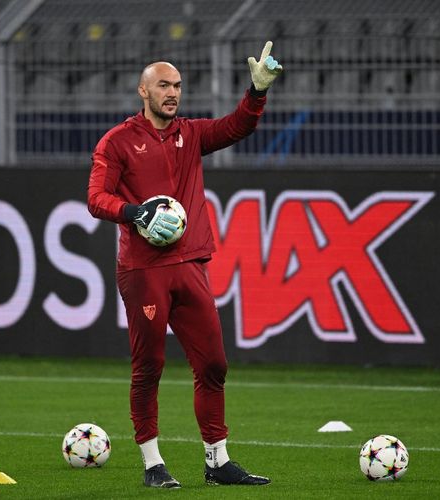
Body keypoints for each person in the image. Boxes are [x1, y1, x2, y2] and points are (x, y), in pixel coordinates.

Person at [87, 41, 282, 488]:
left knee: (213, 363)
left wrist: (256, 93)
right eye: (163, 86)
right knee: (149, 366)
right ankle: (153, 464)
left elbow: (237, 128)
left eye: (177, 85)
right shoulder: (117, 141)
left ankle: (217, 461)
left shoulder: (190, 134)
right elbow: (96, 198)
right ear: (143, 91)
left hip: (190, 263)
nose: (172, 93)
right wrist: (133, 213)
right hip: (143, 269)